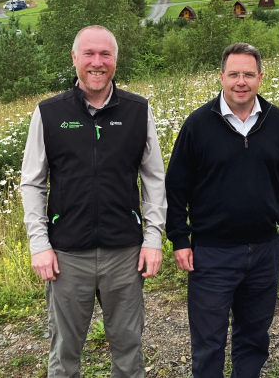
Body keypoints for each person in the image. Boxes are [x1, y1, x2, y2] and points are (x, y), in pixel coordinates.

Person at [20, 25, 167, 378]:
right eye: (89, 54)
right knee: (65, 350)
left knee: (128, 347)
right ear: (74, 59)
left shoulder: (137, 110)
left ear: (116, 60)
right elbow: (32, 182)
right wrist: (39, 244)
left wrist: (153, 238)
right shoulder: (49, 113)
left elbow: (154, 178)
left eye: (105, 54)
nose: (97, 62)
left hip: (125, 254)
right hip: (67, 256)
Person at [166, 43, 279, 378]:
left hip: (264, 251)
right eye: (234, 74)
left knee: (254, 337)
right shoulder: (198, 124)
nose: (241, 81)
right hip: (212, 253)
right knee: (209, 341)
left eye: (249, 74)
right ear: (221, 77)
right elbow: (175, 185)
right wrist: (180, 238)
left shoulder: (275, 119)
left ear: (260, 77)